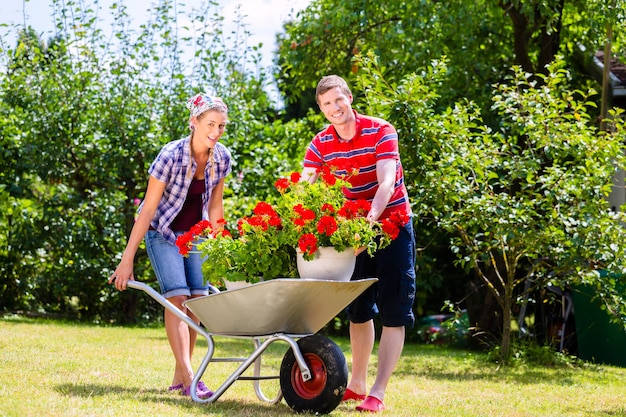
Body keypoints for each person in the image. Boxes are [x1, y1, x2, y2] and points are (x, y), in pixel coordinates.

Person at [301, 75, 416, 413]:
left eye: (339, 100)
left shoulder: (381, 130)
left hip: (391, 226)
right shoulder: (320, 144)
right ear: (321, 109)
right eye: (327, 104)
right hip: (351, 235)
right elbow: (306, 190)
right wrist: (300, 221)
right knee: (358, 309)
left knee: (394, 312)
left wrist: (368, 225)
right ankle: (358, 385)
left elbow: (386, 182)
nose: (335, 108)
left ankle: (377, 393)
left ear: (349, 97)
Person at [108, 93, 232, 399]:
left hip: (195, 235)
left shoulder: (222, 157)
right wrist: (127, 261)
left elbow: (215, 208)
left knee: (198, 301)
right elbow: (147, 210)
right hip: (162, 232)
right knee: (177, 297)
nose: (216, 132)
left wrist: (225, 253)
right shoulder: (170, 155)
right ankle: (191, 377)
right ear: (194, 122)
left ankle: (181, 377)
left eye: (221, 125)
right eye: (210, 124)